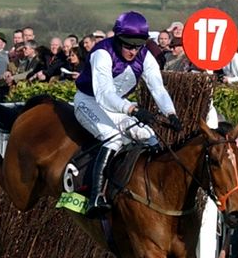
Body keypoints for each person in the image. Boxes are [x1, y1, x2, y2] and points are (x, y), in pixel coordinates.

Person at [73, 11, 182, 216]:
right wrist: (132, 109)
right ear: (118, 39)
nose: (133, 51)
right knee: (113, 139)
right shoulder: (102, 53)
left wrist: (171, 113)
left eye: (138, 45)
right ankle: (96, 198)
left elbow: (157, 88)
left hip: (118, 106)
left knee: (148, 135)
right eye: (128, 45)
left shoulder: (145, 56)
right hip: (89, 102)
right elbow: (104, 94)